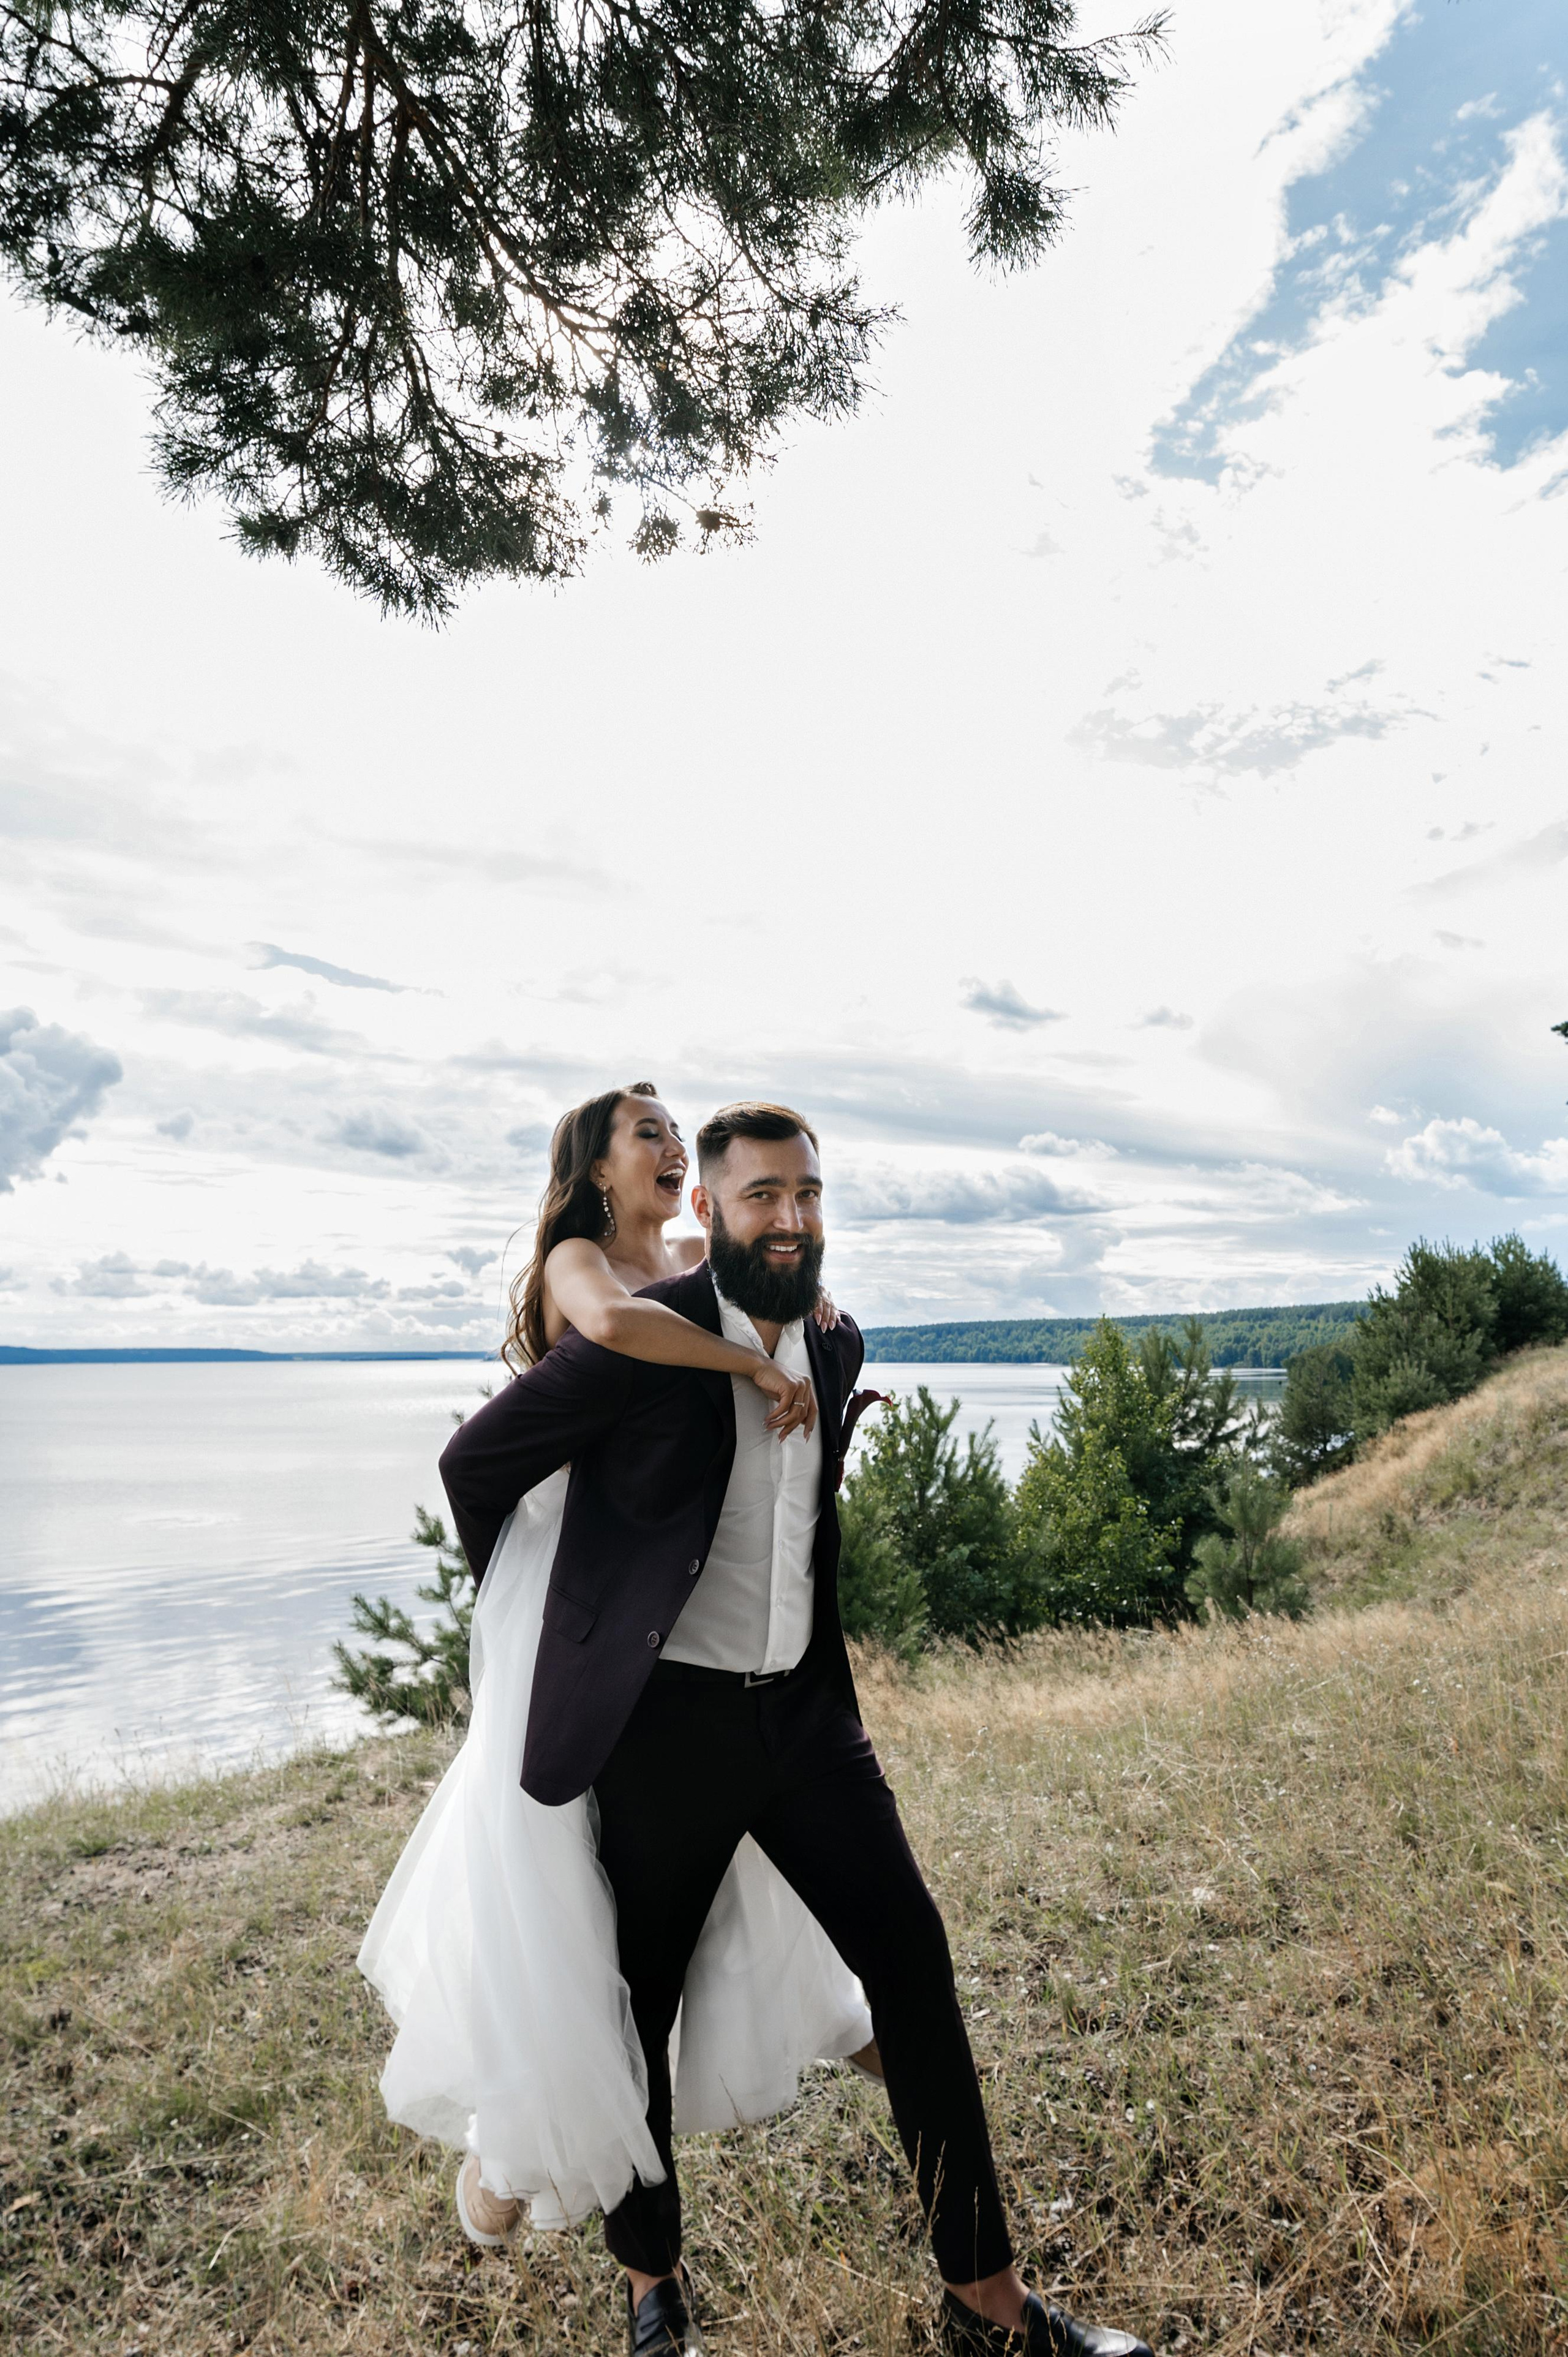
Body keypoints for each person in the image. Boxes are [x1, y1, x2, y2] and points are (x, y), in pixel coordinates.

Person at [435, 1097, 1154, 2357]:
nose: (790, 1215)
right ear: (706, 1211)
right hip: (664, 1738)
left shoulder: (833, 1339)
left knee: (915, 1976)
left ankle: (990, 2310)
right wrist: (564, 1622)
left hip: (812, 1729)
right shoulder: (636, 1338)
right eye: (761, 1194)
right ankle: (654, 2299)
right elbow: (475, 1468)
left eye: (807, 1192)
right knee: (632, 2015)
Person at [359, 1084, 881, 2253]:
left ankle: (860, 2030)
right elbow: (619, 1334)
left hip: (689, 1623)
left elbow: (767, 1271)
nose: (664, 1141)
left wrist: (800, 1305)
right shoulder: (582, 1261)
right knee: (571, 1911)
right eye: (643, 1129)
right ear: (599, 1167)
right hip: (585, 1606)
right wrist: (749, 1368)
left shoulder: (694, 1249)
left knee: (729, 1881)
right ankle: (515, 2162)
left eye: (669, 1131)